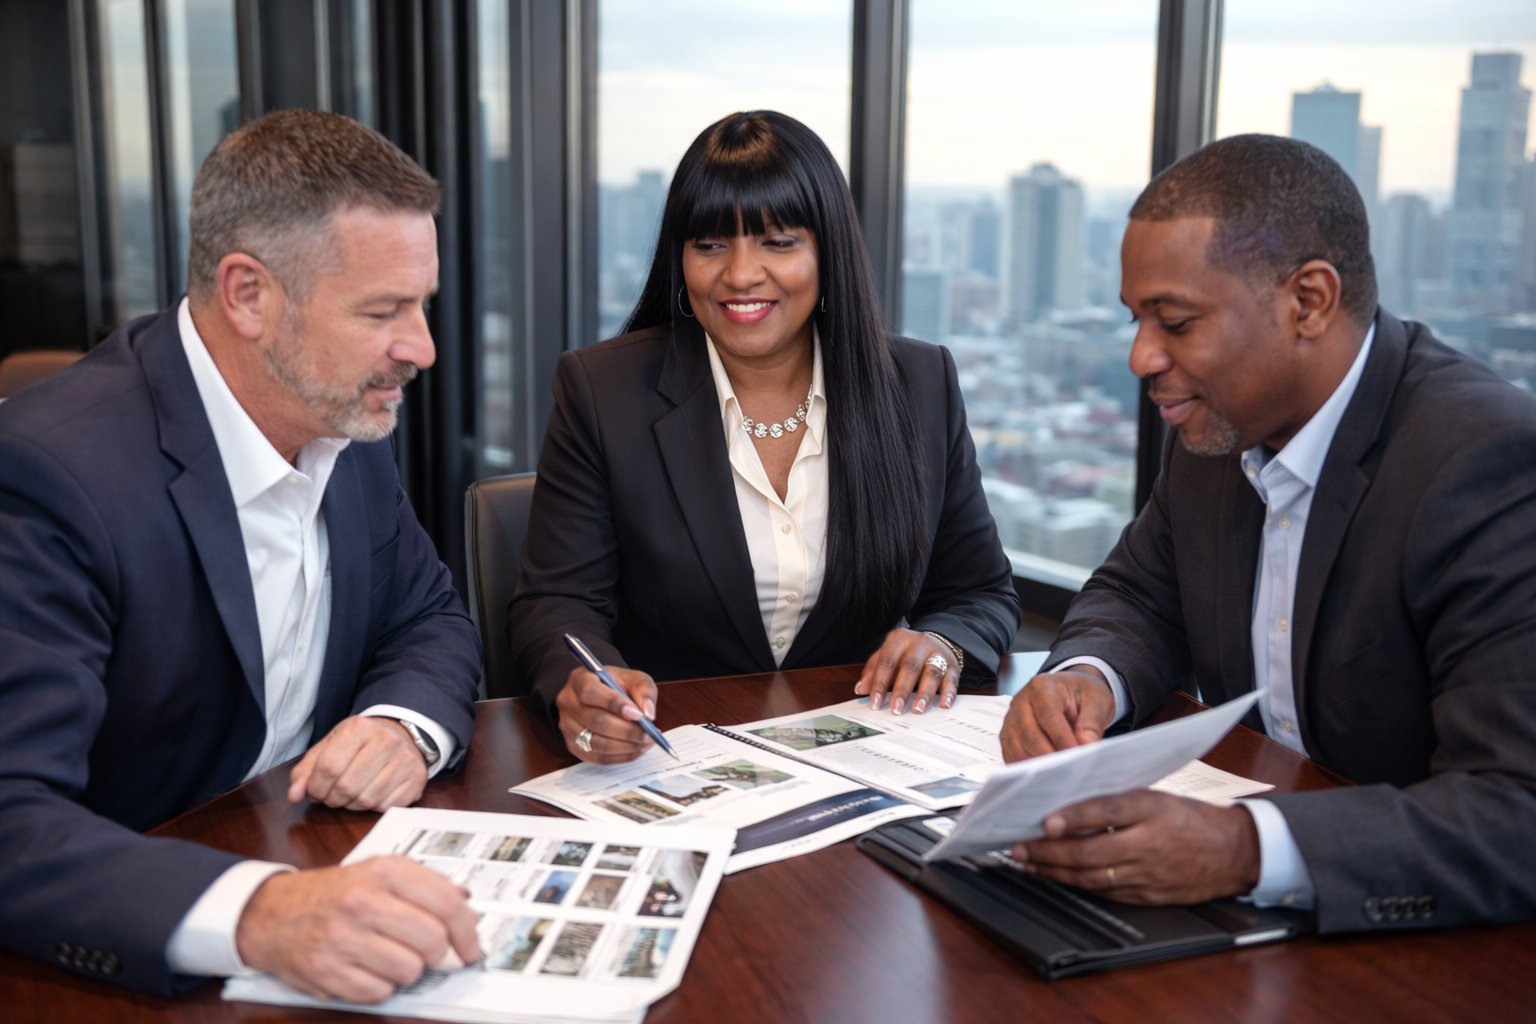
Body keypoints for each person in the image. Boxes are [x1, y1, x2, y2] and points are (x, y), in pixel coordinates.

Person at [0, 110, 484, 1000]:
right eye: (383, 311)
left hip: (313, 851)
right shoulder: (46, 476)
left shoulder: (342, 418)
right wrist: (261, 914)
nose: (422, 348)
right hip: (134, 937)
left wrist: (401, 725)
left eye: (422, 305)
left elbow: (429, 616)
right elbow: (12, 819)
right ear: (249, 294)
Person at [999, 134, 1536, 931]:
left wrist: (1245, 848)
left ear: (1309, 301)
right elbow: (1139, 595)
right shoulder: (1219, 431)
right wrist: (1088, 677)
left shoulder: (1485, 461)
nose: (1142, 356)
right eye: (1137, 319)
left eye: (1176, 322)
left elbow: (1515, 811)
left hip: (1418, 935)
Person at [510, 111, 1020, 762]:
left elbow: (979, 591)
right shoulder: (602, 390)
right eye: (711, 244)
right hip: (670, 757)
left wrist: (944, 643)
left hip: (857, 755)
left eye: (778, 242)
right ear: (681, 256)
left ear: (826, 251)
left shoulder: (920, 383)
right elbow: (557, 603)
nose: (741, 275)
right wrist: (586, 685)